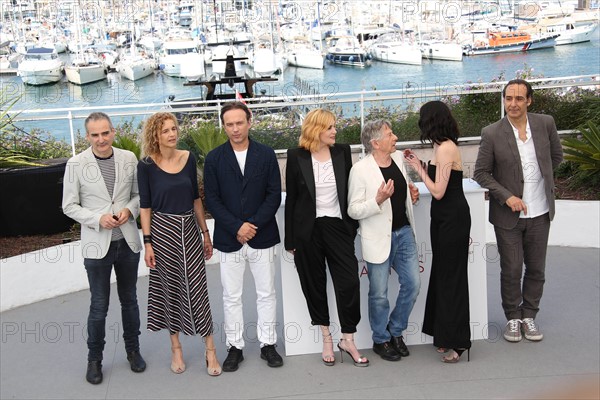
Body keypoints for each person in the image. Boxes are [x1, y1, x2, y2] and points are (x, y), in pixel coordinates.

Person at [474, 79, 563, 343]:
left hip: (540, 212)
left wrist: (541, 179)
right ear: (503, 100)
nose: (513, 104)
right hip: (508, 216)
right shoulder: (491, 132)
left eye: (519, 99)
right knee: (511, 268)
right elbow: (481, 173)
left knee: (536, 269)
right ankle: (513, 317)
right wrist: (507, 196)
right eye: (508, 98)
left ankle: (529, 316)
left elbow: (556, 157)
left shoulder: (545, 124)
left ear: (529, 101)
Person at [62, 112, 146, 384]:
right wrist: (98, 219)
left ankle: (133, 350)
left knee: (130, 300)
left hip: (127, 242)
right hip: (97, 246)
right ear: (87, 136)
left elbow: (139, 196)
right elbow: (69, 206)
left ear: (113, 131)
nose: (101, 139)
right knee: (99, 306)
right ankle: (94, 359)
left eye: (105, 133)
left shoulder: (128, 158)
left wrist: (128, 211)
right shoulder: (76, 164)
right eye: (95, 135)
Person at [137, 112, 221, 377]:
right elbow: (145, 207)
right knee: (169, 289)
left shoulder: (188, 158)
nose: (172, 134)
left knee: (198, 289)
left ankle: (210, 350)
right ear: (155, 135)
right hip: (162, 233)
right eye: (165, 131)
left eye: (174, 129)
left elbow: (196, 198)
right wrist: (148, 244)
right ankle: (176, 348)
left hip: (189, 230)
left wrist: (205, 233)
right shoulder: (146, 165)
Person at [285, 108, 368, 367]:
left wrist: (351, 227)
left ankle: (348, 339)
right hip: (307, 232)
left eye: (334, 127)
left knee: (348, 283)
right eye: (330, 127)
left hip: (338, 228)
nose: (335, 131)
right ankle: (326, 338)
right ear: (316, 130)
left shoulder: (342, 151)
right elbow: (292, 201)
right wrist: (291, 240)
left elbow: (353, 191)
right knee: (314, 285)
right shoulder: (296, 155)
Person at [203, 102, 283, 371]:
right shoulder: (214, 159)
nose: (235, 129)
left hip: (262, 236)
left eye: (239, 122)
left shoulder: (266, 154)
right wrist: (238, 227)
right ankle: (234, 347)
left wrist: (252, 225)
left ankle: (268, 344)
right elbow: (212, 200)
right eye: (229, 124)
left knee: (266, 293)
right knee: (231, 295)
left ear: (249, 122)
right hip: (229, 238)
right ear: (224, 126)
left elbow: (274, 195)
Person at [404, 101, 472, 363]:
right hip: (442, 218)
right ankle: (443, 335)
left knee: (452, 278)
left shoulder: (446, 148)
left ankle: (459, 342)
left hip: (452, 218)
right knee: (443, 275)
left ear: (430, 121)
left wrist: (418, 169)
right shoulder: (440, 146)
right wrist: (417, 163)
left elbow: (438, 191)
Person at [347, 120, 420, 362]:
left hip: (404, 232)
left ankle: (395, 331)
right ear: (375, 142)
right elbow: (353, 210)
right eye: (390, 135)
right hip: (377, 238)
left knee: (413, 284)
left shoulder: (398, 158)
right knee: (379, 294)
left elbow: (404, 191)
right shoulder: (360, 170)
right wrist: (377, 200)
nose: (396, 138)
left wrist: (412, 195)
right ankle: (381, 340)